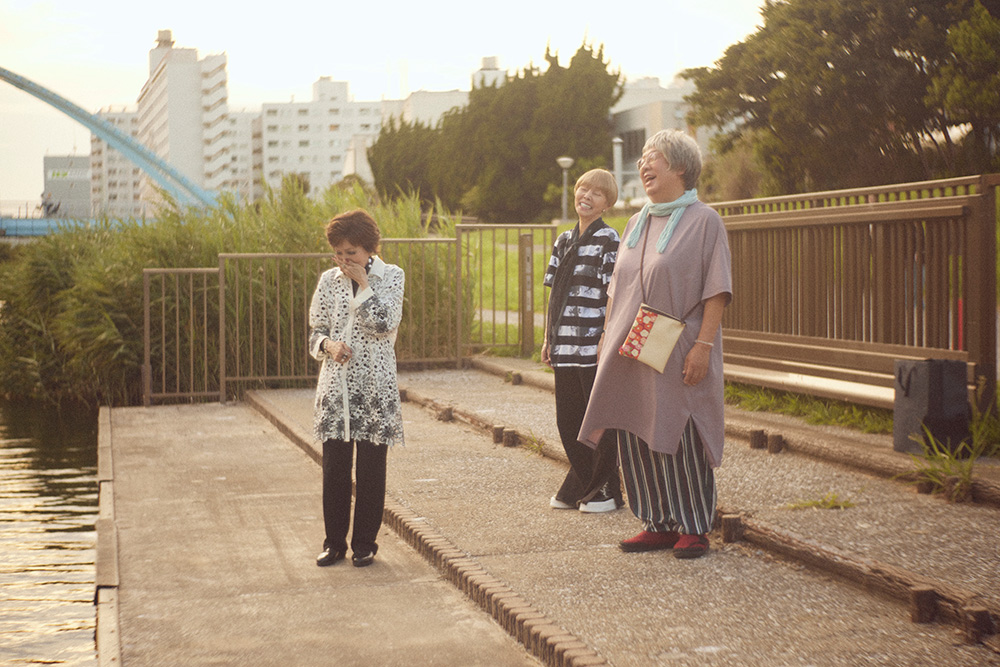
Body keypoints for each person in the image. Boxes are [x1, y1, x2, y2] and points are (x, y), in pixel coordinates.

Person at [578, 130, 732, 559]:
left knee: (679, 429)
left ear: (680, 167)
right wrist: (607, 335)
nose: (645, 165)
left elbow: (716, 290)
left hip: (678, 340)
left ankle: (694, 525)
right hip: (633, 339)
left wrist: (703, 345)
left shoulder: (705, 221)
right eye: (644, 158)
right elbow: (617, 289)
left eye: (655, 158)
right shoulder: (636, 220)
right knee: (636, 426)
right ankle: (657, 521)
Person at [309, 209, 405, 568]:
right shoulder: (328, 280)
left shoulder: (391, 276)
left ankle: (364, 544)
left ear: (369, 248)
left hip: (375, 388)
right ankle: (333, 543)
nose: (344, 260)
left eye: (351, 252)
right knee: (334, 469)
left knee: (371, 469)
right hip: (336, 388)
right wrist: (329, 347)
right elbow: (315, 332)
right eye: (339, 253)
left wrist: (364, 285)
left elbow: (383, 324)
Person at [542, 168, 623, 513]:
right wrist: (548, 337)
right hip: (564, 343)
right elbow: (554, 295)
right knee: (567, 418)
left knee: (598, 418)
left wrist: (606, 335)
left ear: (606, 204)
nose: (587, 196)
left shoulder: (610, 239)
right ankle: (583, 479)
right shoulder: (563, 240)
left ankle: (608, 488)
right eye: (583, 189)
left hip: (593, 343)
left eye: (597, 193)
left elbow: (614, 293)